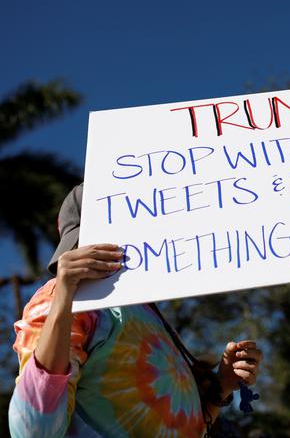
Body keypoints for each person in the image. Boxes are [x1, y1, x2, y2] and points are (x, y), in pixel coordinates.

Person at [9, 183, 263, 437]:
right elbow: (33, 430)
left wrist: (223, 384)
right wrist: (64, 294)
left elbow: (191, 428)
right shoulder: (65, 301)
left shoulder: (144, 310)